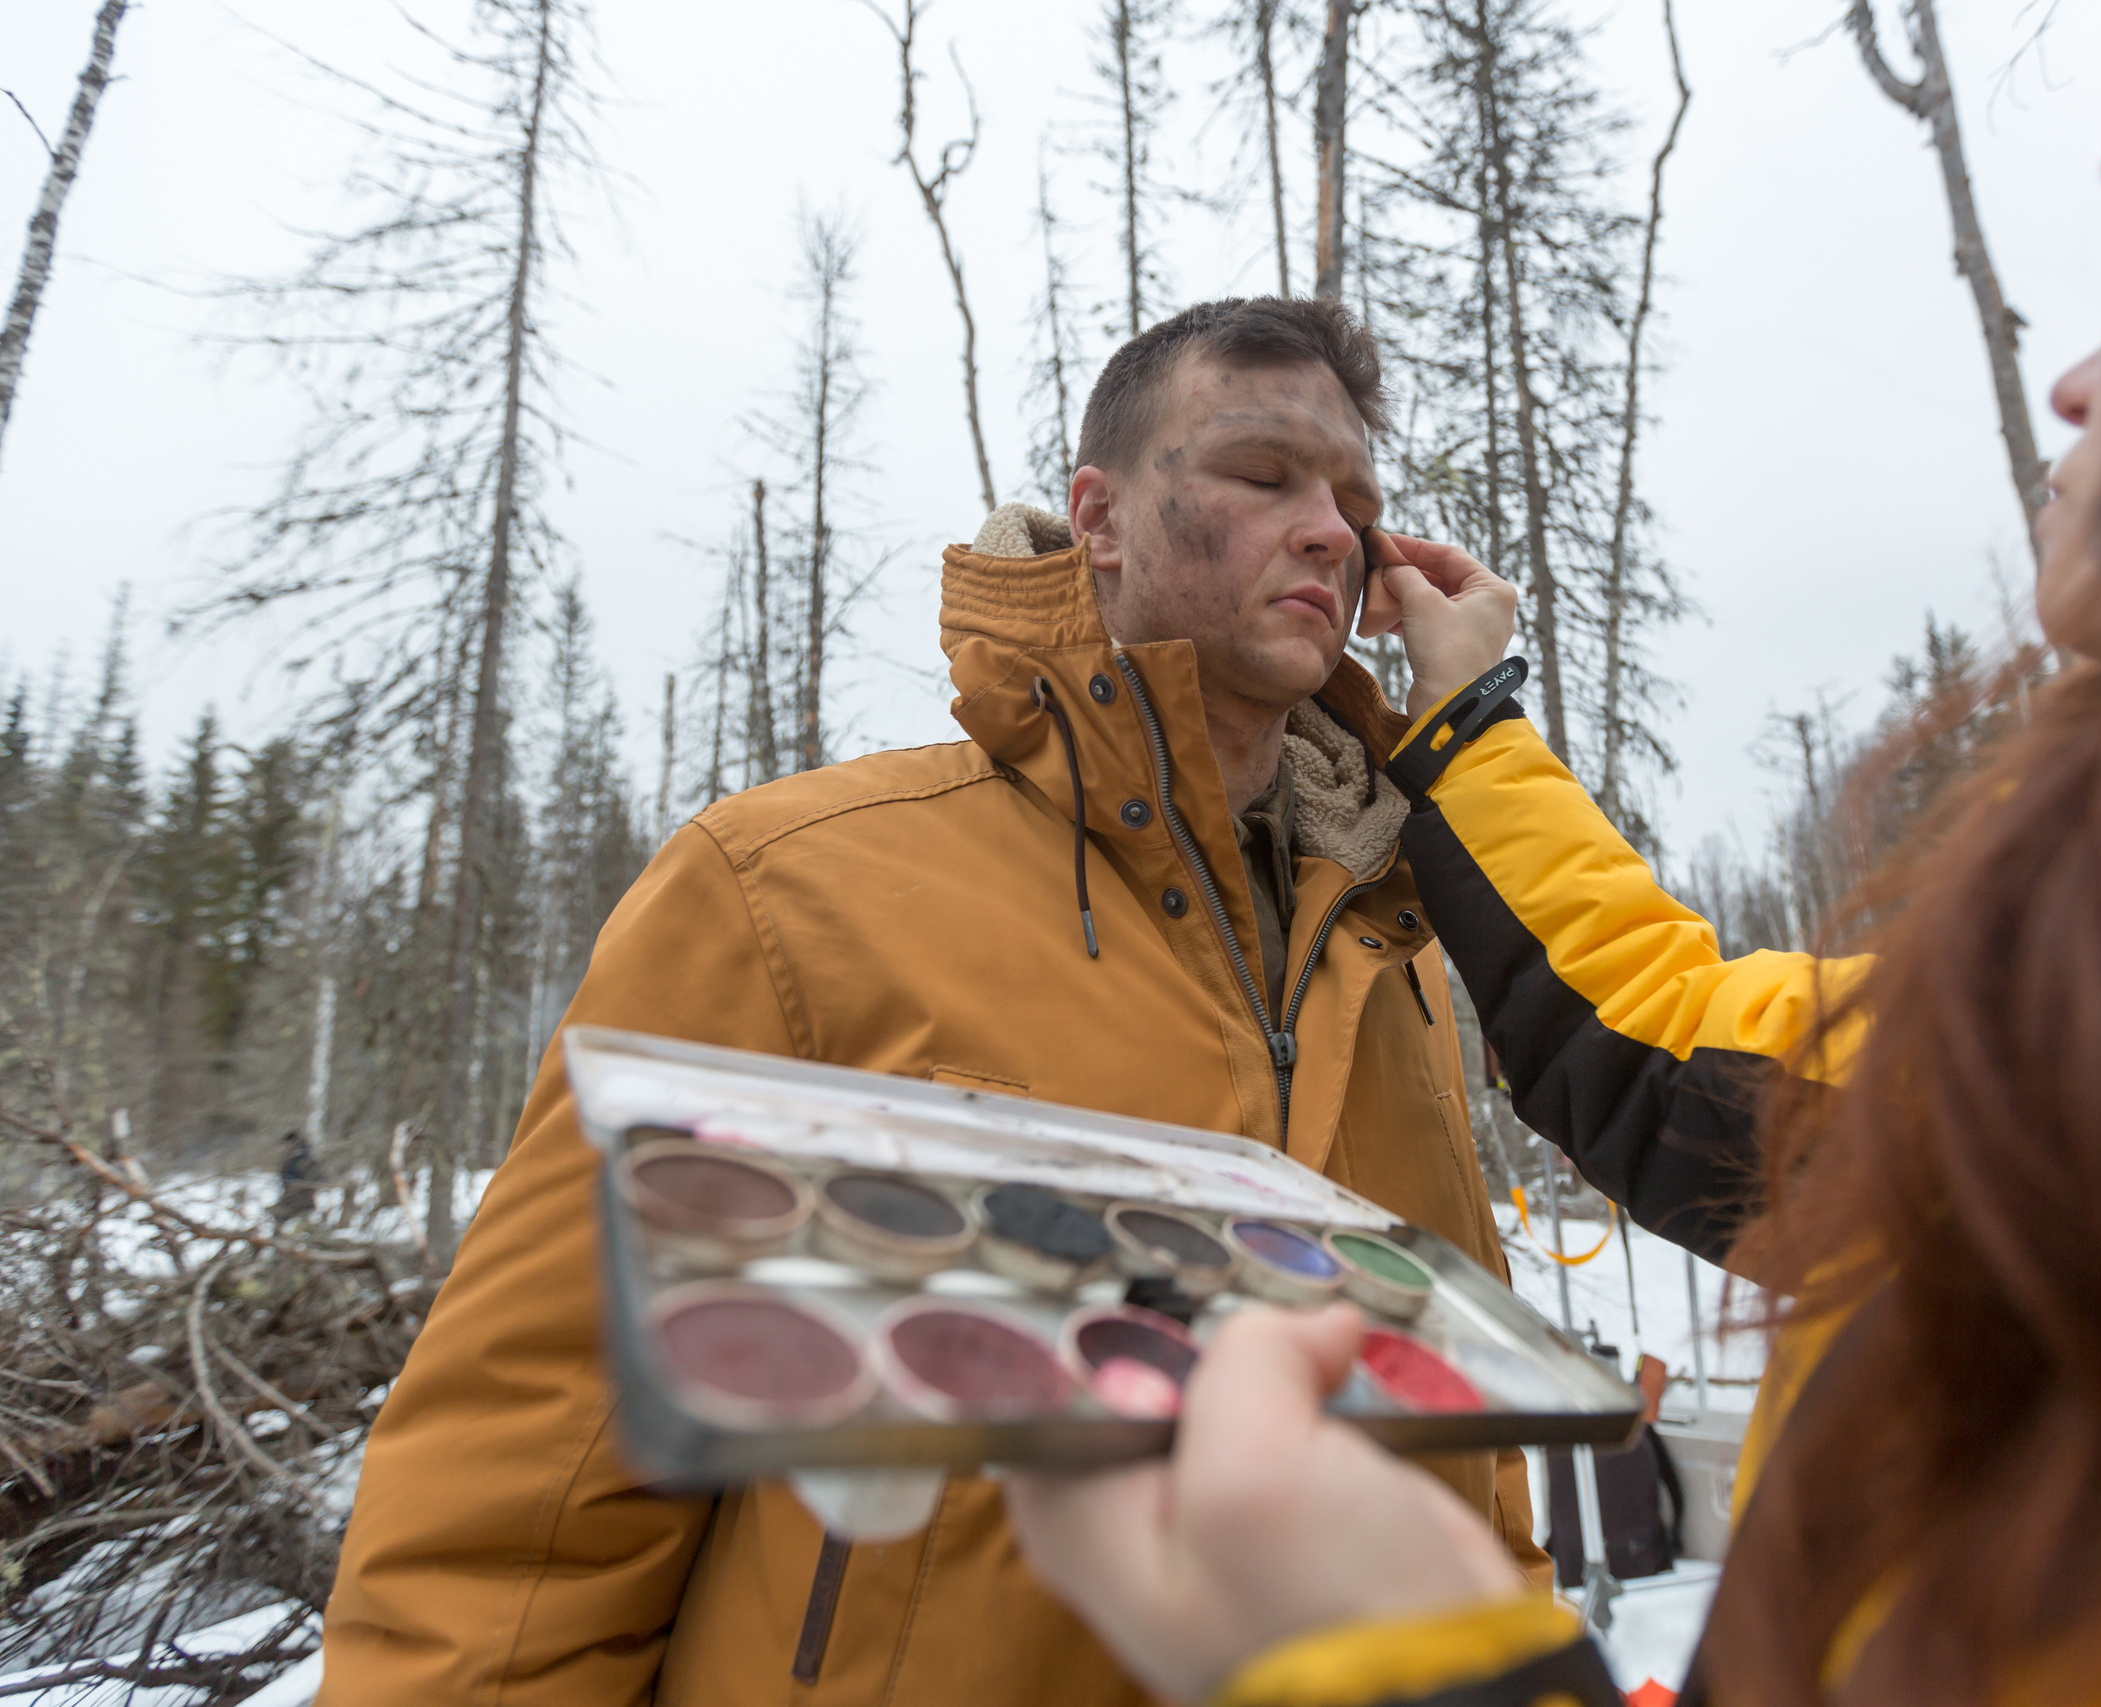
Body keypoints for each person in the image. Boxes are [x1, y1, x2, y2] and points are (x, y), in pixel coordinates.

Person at [1006, 3, 2101, 1704]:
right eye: (1256, 474)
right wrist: (1466, 741)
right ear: (1098, 514)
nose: (2078, 373)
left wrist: (1438, 1673)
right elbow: (1669, 1044)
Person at [317, 297, 1545, 1707]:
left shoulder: (1391, 956)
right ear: (1099, 518)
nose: (1333, 530)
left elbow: (1470, 1472)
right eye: (1265, 476)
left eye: (1355, 500)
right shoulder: (787, 893)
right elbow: (521, 1508)